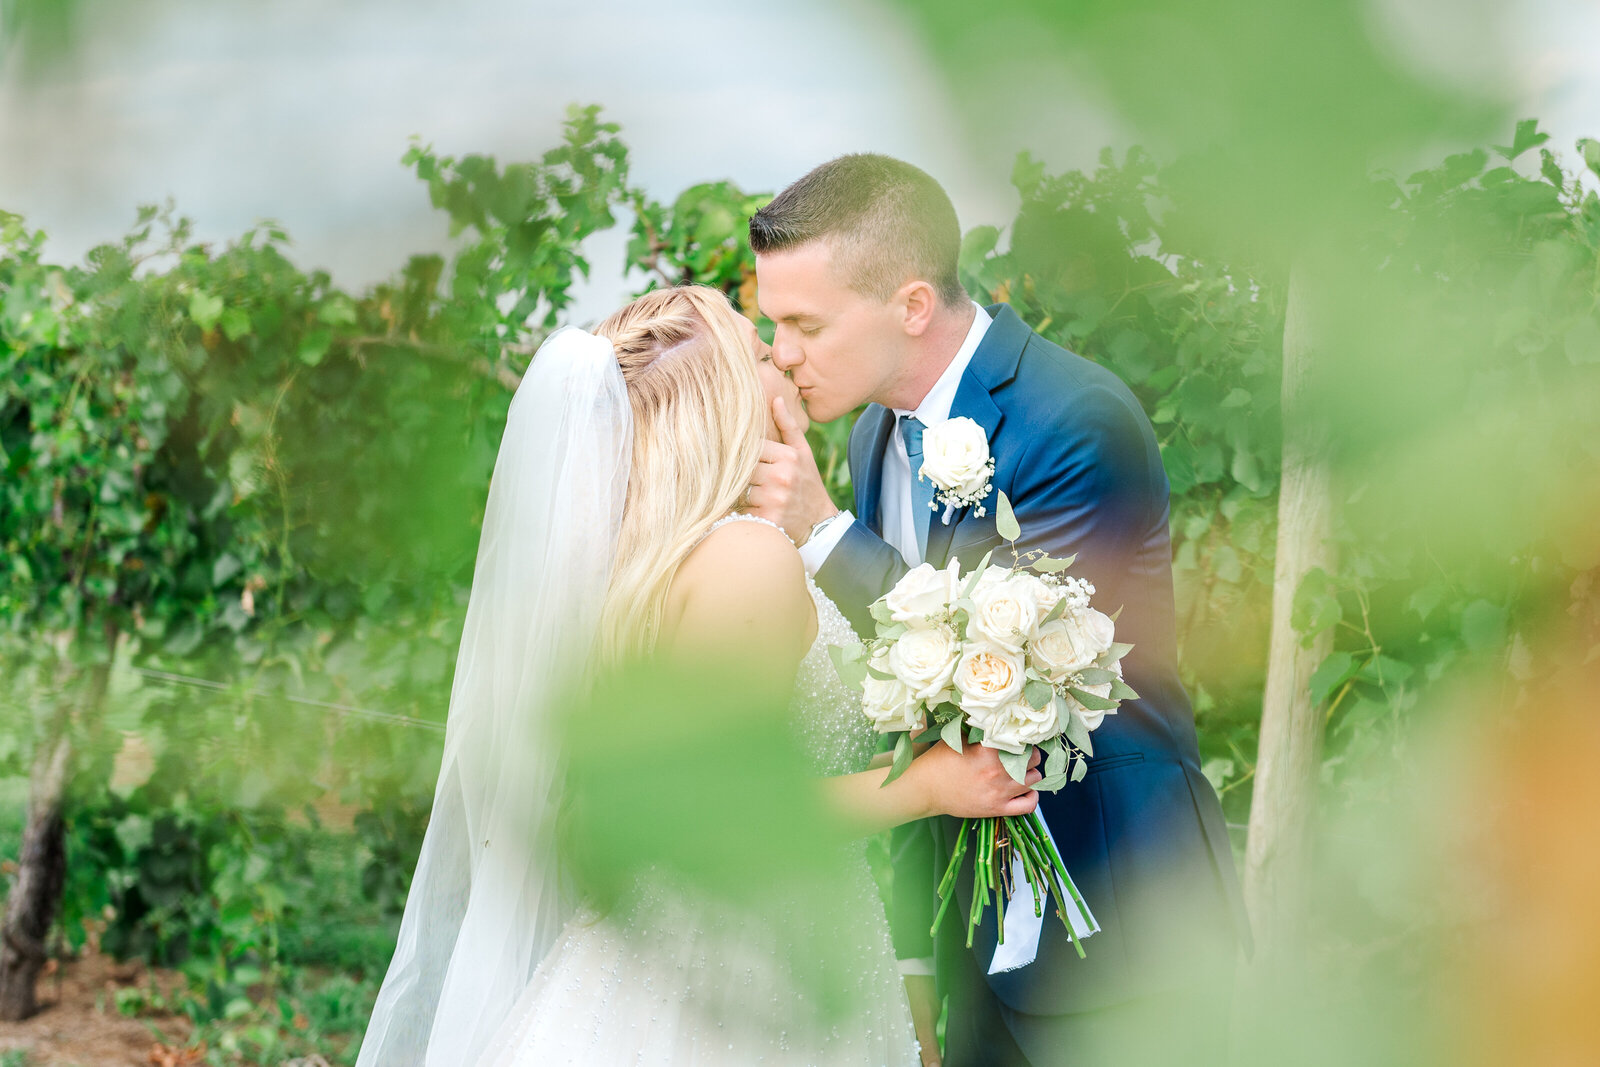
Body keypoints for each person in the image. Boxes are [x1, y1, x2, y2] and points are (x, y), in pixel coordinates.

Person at [354, 284, 1040, 1067]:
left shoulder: (648, 563)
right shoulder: (746, 559)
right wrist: (929, 787)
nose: (781, 359)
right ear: (722, 402)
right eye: (757, 352)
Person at [745, 154, 1251, 1066]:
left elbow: (1001, 675)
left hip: (1120, 928)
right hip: (973, 936)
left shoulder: (1074, 419)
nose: (781, 354)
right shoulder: (873, 434)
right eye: (773, 323)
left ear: (908, 305)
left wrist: (820, 533)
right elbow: (902, 706)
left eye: (805, 324)